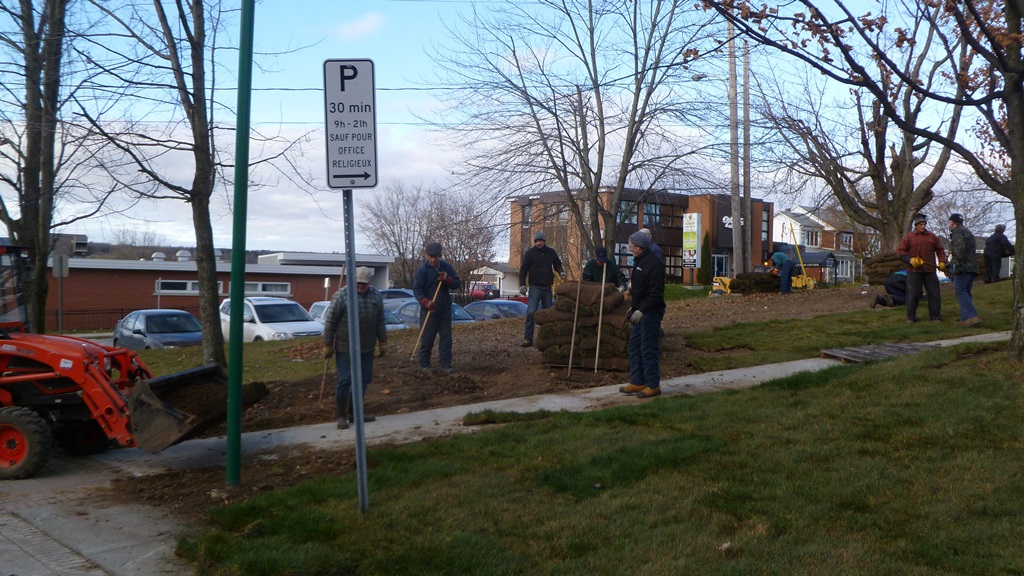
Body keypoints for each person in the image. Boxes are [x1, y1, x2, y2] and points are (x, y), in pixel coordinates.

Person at [322, 266, 388, 430]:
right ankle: (341, 416)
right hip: (345, 347)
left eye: (364, 284)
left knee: (364, 379)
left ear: (369, 283)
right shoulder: (342, 295)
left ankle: (354, 413)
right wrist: (328, 344)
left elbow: (380, 320)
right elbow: (330, 321)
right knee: (345, 380)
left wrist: (383, 341)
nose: (360, 287)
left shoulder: (375, 296)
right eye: (358, 283)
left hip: (367, 347)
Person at [619, 231, 666, 399]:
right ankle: (637, 381)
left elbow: (655, 293)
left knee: (648, 348)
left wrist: (642, 310)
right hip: (640, 311)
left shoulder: (653, 264)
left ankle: (653, 385)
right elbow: (639, 291)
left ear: (639, 246)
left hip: (651, 312)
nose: (629, 247)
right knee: (635, 346)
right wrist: (633, 308)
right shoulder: (639, 262)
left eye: (631, 245)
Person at [412, 242, 461, 372]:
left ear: (439, 255)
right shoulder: (422, 270)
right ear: (427, 255)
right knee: (427, 337)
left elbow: (457, 283)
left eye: (435, 256)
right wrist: (425, 302)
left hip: (444, 308)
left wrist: (448, 279)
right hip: (429, 309)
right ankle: (424, 364)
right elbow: (417, 289)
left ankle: (446, 364)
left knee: (446, 337)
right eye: (431, 256)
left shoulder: (446, 267)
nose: (433, 259)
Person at [897, 213, 947, 323]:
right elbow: (900, 251)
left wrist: (942, 261)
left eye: (924, 224)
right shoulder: (908, 237)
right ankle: (910, 317)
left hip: (930, 271)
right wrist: (910, 259)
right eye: (921, 224)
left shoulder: (932, 237)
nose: (923, 226)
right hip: (914, 271)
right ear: (916, 225)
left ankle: (935, 316)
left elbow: (940, 250)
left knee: (934, 294)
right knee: (912, 294)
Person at [518, 231, 565, 347]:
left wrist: (561, 272)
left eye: (540, 241)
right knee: (531, 312)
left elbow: (557, 264)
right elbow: (523, 269)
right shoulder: (530, 253)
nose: (538, 243)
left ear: (544, 241)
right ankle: (528, 338)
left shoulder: (551, 252)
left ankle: (547, 338)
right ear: (534, 242)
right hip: (535, 287)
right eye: (536, 241)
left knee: (548, 313)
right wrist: (522, 284)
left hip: (547, 287)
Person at [948, 213, 981, 327]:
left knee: (960, 291)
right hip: (972, 266)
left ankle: (971, 316)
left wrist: (952, 265)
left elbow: (959, 251)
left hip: (962, 267)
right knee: (966, 292)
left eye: (949, 222)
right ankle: (965, 319)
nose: (949, 224)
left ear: (953, 222)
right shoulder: (967, 232)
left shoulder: (957, 232)